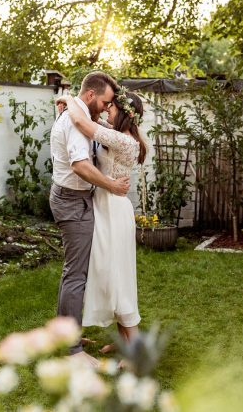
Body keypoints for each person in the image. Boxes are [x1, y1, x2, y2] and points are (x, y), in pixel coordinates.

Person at [49, 72, 130, 364]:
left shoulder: (81, 113)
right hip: (72, 202)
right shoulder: (76, 120)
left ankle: (66, 334)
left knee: (73, 271)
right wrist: (112, 186)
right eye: (106, 101)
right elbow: (81, 165)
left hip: (76, 199)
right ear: (91, 95)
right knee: (76, 275)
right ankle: (72, 352)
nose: (107, 108)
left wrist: (66, 100)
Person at [61, 87, 146, 351]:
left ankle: (136, 352)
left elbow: (80, 120)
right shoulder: (117, 134)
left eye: (112, 107)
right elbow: (87, 119)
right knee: (111, 275)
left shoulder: (125, 140)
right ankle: (124, 342)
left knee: (118, 278)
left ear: (123, 113)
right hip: (104, 205)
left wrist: (67, 98)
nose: (107, 109)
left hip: (113, 210)